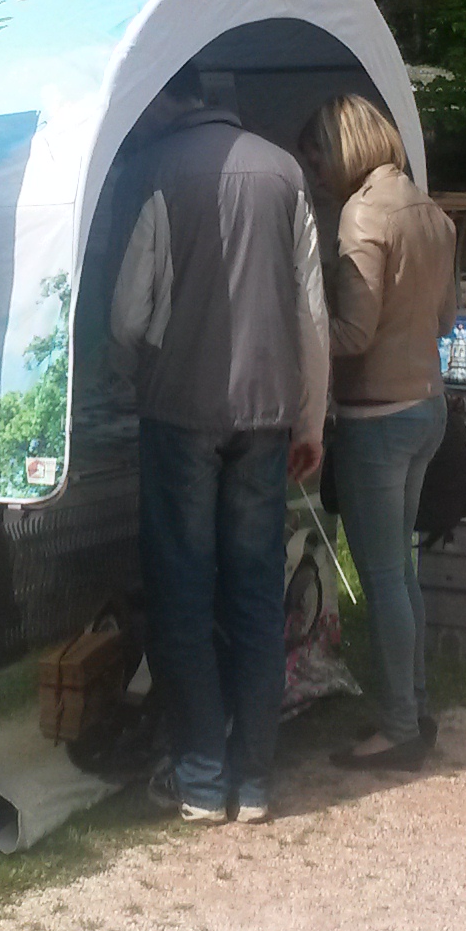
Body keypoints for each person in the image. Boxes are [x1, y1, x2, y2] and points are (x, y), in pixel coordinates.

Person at [110, 68, 329, 825]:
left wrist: (143, 364)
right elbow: (310, 313)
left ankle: (202, 777)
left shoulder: (157, 170)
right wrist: (311, 420)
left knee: (182, 589)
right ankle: (256, 778)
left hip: (179, 410)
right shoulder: (284, 171)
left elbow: (126, 314)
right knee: (256, 590)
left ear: (165, 100)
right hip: (268, 417)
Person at [297, 95, 457, 774]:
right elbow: (445, 319)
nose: (315, 173)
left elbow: (353, 334)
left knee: (385, 575)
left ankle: (397, 727)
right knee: (401, 571)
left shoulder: (361, 214)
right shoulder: (429, 210)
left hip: (376, 416)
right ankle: (411, 707)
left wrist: (297, 330)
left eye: (317, 157)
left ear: (340, 149)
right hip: (426, 406)